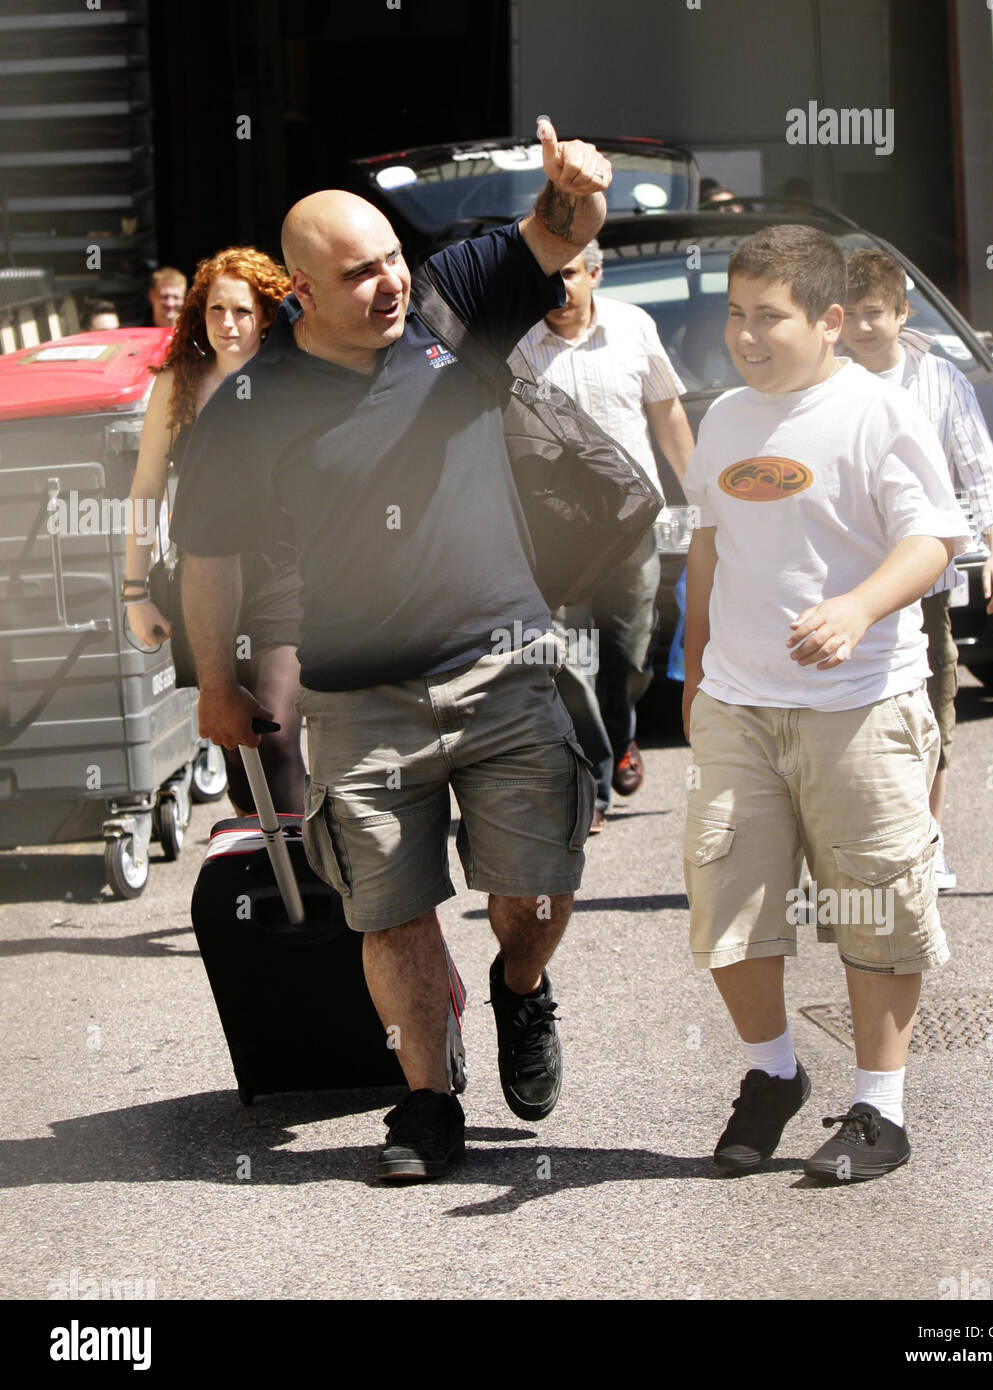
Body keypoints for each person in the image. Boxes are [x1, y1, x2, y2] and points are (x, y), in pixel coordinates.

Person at [168, 120, 612, 1183]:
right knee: (390, 907)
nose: (387, 285)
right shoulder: (248, 406)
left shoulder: (454, 304)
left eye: (390, 262)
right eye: (358, 274)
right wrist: (216, 686)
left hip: (504, 666)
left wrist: (576, 189)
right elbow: (211, 554)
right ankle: (425, 1103)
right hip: (357, 695)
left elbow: (561, 233)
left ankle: (517, 987)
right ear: (299, 296)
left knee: (535, 896)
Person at [682, 225, 970, 1181]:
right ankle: (773, 1075)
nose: (747, 335)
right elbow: (708, 547)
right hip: (737, 705)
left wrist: (855, 605)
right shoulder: (721, 419)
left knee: (874, 906)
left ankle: (879, 1111)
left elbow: (931, 539)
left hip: (862, 702)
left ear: (831, 321)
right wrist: (694, 670)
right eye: (735, 313)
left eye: (770, 317)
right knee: (728, 906)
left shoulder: (877, 412)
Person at [841, 249, 993, 889]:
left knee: (934, 706)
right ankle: (850, 848)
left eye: (875, 314)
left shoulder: (941, 379)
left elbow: (980, 469)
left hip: (928, 581)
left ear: (902, 312)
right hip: (847, 579)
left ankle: (928, 841)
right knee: (850, 710)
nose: (862, 328)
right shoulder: (825, 380)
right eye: (851, 314)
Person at [518, 239, 694, 827]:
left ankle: (620, 737)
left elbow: (666, 411)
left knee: (628, 653)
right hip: (554, 532)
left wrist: (705, 495)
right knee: (566, 659)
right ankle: (590, 779)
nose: (557, 289)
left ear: (595, 273)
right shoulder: (515, 342)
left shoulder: (633, 326)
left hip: (632, 526)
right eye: (545, 277)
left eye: (568, 275)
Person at [123, 247, 305, 814]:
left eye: (243, 311)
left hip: (282, 575)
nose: (228, 324)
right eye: (216, 310)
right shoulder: (177, 387)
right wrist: (135, 592)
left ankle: (307, 884)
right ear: (199, 316)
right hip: (202, 582)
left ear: (268, 315)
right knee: (234, 752)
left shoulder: (293, 378)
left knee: (272, 734)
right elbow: (144, 491)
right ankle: (264, 880)